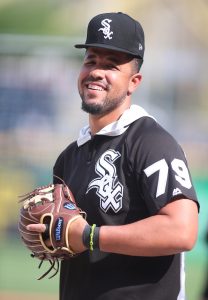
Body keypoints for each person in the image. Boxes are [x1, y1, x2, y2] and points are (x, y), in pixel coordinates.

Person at [27, 12, 199, 300]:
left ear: (134, 81)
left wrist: (88, 236)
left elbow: (182, 230)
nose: (96, 72)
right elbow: (73, 236)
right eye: (91, 61)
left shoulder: (151, 143)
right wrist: (53, 235)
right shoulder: (69, 157)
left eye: (111, 65)